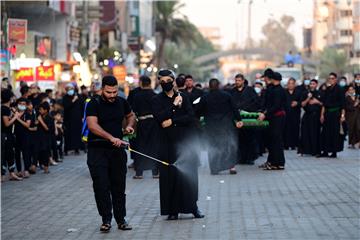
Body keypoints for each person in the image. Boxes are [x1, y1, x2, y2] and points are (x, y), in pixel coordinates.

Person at [151, 69, 204, 221]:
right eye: (162, 82)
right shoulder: (156, 100)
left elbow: (190, 117)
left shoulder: (184, 97)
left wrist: (173, 120)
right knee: (169, 177)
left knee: (189, 176)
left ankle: (193, 208)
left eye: (168, 81)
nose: (165, 84)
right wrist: (174, 107)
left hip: (185, 143)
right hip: (167, 144)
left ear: (173, 81)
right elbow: (160, 119)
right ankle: (172, 210)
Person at [86, 75, 135, 233]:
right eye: (109, 92)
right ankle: (106, 220)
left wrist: (129, 126)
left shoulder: (121, 101)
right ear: (102, 89)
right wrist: (110, 137)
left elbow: (131, 115)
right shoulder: (94, 103)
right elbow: (92, 126)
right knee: (101, 186)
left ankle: (121, 220)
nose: (112, 95)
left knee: (119, 187)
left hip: (117, 151)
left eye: (115, 92)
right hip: (97, 150)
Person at [197, 78, 243, 174]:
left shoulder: (205, 97)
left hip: (211, 127)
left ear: (209, 86)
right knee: (228, 145)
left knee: (213, 146)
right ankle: (231, 167)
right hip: (226, 125)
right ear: (219, 85)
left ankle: (215, 169)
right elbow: (234, 108)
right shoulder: (227, 95)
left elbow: (198, 111)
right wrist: (239, 120)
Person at [131, 75, 160, 179]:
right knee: (154, 147)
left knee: (140, 147)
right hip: (154, 124)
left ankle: (139, 173)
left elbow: (133, 111)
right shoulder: (155, 95)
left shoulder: (137, 96)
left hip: (142, 123)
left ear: (141, 83)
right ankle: (155, 172)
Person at [258, 71, 286, 170]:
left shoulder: (278, 90)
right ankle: (274, 162)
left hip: (277, 118)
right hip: (274, 118)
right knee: (274, 141)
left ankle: (277, 163)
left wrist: (265, 113)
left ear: (273, 79)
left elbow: (276, 106)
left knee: (276, 141)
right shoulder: (276, 89)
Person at [230, 73, 259, 165]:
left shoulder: (250, 90)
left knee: (249, 138)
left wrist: (247, 109)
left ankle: (249, 158)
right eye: (236, 80)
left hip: (249, 118)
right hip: (237, 119)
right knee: (238, 139)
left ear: (243, 81)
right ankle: (240, 158)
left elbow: (256, 102)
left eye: (239, 80)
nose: (237, 82)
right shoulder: (232, 91)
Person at [319, 72, 345, 158]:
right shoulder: (327, 89)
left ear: (336, 79)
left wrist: (342, 116)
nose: (331, 80)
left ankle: (334, 152)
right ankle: (325, 151)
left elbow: (343, 104)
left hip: (336, 114)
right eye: (330, 78)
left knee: (334, 133)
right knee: (325, 132)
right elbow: (324, 103)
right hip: (327, 113)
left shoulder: (340, 89)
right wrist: (322, 115)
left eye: (333, 78)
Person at [1, 89, 23, 181]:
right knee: (3, 154)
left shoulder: (8, 108)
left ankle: (12, 173)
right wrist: (15, 117)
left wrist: (16, 114)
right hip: (4, 135)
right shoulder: (4, 109)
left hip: (9, 134)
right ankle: (1, 175)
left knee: (10, 154)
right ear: (9, 98)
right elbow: (6, 123)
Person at [299, 79, 322, 156]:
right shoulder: (305, 93)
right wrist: (308, 98)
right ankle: (304, 150)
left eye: (314, 84)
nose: (312, 85)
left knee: (315, 133)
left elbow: (324, 104)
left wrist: (317, 102)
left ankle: (315, 151)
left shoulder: (320, 93)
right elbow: (302, 104)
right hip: (307, 115)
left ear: (316, 85)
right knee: (305, 133)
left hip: (316, 116)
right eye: (311, 84)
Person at [62, 83, 83, 155]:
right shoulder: (65, 98)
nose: (69, 91)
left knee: (77, 134)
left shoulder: (79, 96)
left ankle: (77, 148)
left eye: (71, 89)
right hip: (68, 120)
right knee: (68, 134)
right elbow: (66, 107)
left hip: (77, 119)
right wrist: (73, 101)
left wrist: (83, 116)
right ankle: (67, 149)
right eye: (68, 89)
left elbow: (82, 107)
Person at [14, 98, 32, 178]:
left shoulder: (27, 114)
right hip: (16, 136)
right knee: (17, 154)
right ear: (17, 104)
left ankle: (26, 170)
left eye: (24, 104)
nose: (22, 105)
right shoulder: (14, 113)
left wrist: (17, 118)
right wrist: (15, 116)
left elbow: (27, 125)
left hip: (25, 136)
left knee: (26, 153)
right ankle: (19, 171)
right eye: (20, 103)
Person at [283, 78, 302, 150]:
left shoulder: (298, 92)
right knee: (286, 129)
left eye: (292, 83)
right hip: (286, 114)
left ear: (295, 84)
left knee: (295, 128)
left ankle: (294, 144)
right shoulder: (284, 92)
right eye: (289, 83)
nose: (290, 85)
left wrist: (297, 103)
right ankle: (286, 145)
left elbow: (302, 102)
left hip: (295, 114)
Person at [37, 102, 54, 174]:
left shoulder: (50, 118)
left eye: (41, 109)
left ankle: (46, 167)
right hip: (39, 137)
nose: (39, 111)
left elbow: (47, 129)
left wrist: (40, 121)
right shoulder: (39, 116)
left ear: (46, 110)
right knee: (40, 152)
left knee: (45, 152)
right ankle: (41, 164)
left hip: (46, 138)